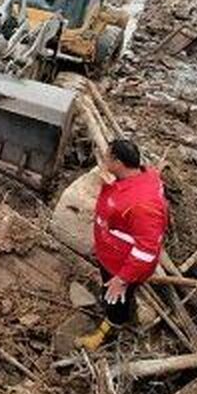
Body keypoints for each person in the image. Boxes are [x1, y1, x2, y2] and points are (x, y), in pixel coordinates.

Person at [77, 139, 169, 351]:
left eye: (108, 158)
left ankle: (110, 328)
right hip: (111, 253)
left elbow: (147, 250)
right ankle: (115, 307)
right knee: (110, 290)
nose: (104, 161)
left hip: (121, 265)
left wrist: (122, 279)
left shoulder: (143, 205)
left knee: (116, 297)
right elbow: (153, 174)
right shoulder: (143, 175)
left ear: (118, 162)